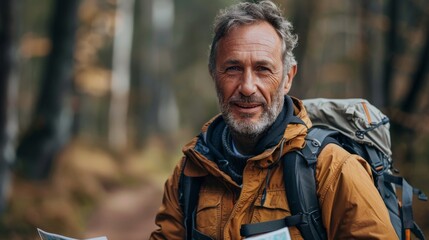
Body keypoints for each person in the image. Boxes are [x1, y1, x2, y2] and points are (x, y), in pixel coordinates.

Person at [150, 1, 398, 239]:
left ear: (288, 78)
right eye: (233, 68)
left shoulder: (332, 170)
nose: (247, 87)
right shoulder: (191, 171)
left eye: (263, 69)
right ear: (214, 74)